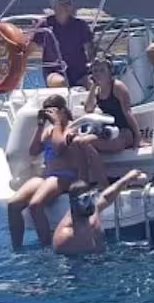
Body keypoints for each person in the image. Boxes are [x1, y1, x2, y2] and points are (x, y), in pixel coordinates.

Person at [7, 94, 91, 249]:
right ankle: (16, 248)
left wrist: (58, 123)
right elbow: (33, 151)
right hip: (49, 176)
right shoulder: (49, 130)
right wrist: (40, 125)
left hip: (65, 177)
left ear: (63, 111)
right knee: (13, 204)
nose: (49, 115)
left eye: (52, 111)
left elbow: (59, 148)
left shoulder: (73, 128)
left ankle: (46, 246)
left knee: (35, 205)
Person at [52, 170, 148, 255]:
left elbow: (105, 197)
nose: (90, 202)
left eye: (92, 197)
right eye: (85, 199)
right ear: (73, 203)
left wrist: (127, 178)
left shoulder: (91, 212)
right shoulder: (65, 237)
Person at [79, 56, 142, 163]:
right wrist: (93, 86)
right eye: (95, 71)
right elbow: (88, 109)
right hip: (109, 131)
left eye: (102, 70)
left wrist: (137, 137)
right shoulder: (96, 90)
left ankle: (101, 178)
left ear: (109, 72)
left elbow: (128, 113)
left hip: (124, 132)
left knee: (86, 143)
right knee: (79, 142)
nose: (98, 73)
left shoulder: (118, 87)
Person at [29, 0, 94, 87]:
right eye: (63, 3)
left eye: (69, 3)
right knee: (62, 83)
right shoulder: (45, 24)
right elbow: (30, 48)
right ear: (54, 6)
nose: (67, 6)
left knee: (92, 84)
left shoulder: (81, 25)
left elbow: (90, 50)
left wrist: (93, 68)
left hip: (79, 73)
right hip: (54, 72)